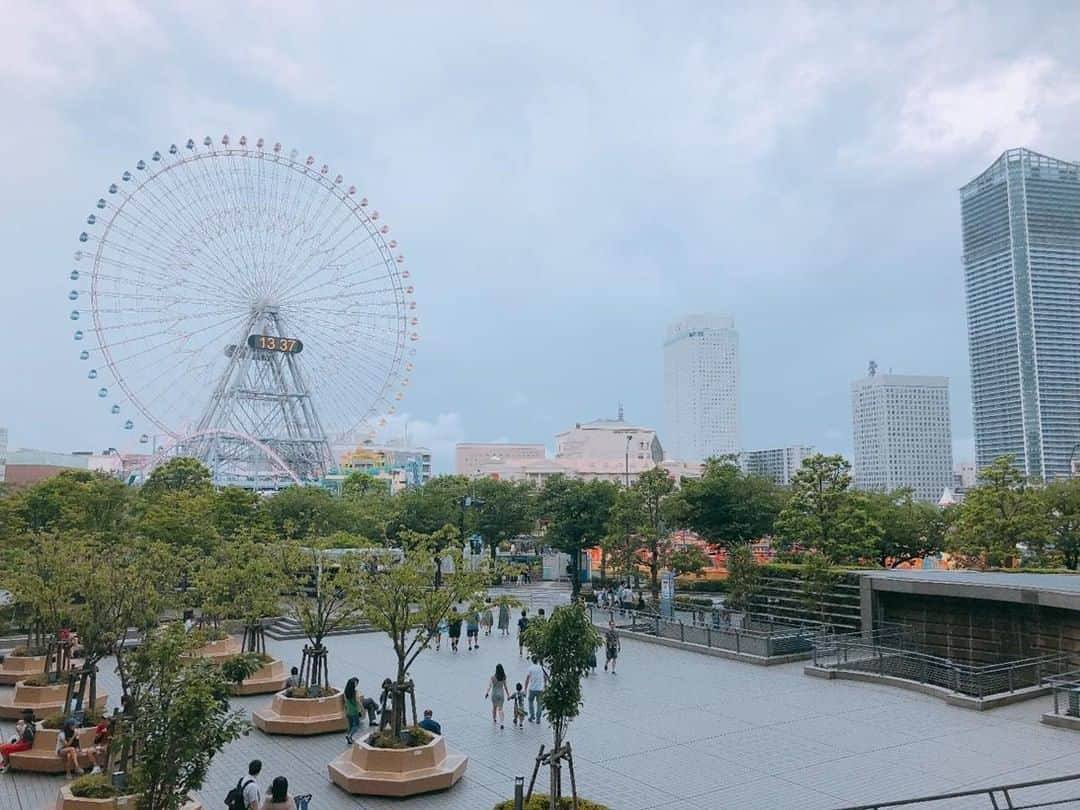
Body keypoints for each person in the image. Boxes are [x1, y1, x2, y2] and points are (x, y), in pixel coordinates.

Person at [485, 663, 510, 729]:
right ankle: (502, 722)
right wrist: (508, 695)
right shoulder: (504, 677)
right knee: (500, 708)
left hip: (494, 693)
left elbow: (489, 686)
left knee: (494, 707)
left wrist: (487, 693)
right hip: (501, 693)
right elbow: (505, 686)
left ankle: (494, 719)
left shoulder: (493, 677)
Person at [524, 655, 545, 724]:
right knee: (539, 704)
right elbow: (544, 677)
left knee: (530, 702)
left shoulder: (530, 668)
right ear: (538, 661)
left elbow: (527, 679)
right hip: (540, 689)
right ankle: (538, 719)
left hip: (532, 688)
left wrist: (525, 689)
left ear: (532, 660)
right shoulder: (541, 668)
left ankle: (532, 716)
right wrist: (545, 686)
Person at [344, 677, 362, 744]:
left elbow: (345, 702)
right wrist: (360, 710)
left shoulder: (346, 692)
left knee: (350, 725)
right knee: (356, 725)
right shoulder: (355, 692)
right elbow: (358, 701)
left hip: (348, 711)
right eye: (356, 683)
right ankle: (349, 735)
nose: (357, 684)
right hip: (354, 711)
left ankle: (348, 736)